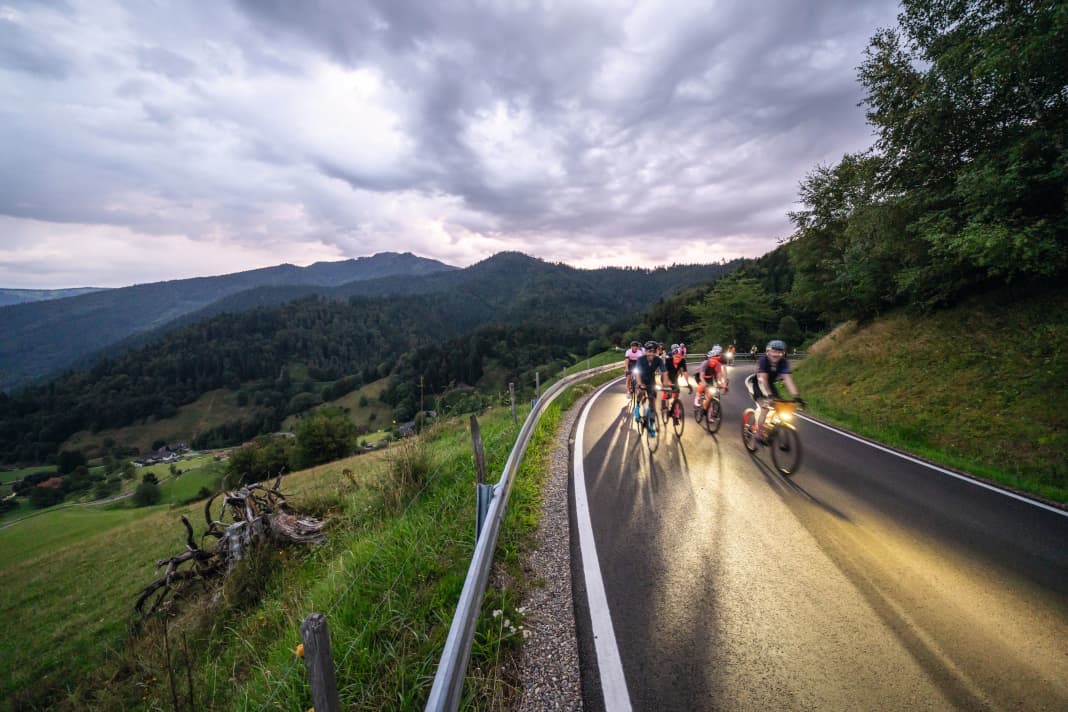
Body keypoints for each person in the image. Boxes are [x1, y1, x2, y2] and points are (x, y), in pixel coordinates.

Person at [745, 339, 803, 443]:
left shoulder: (783, 362)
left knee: (780, 405)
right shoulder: (763, 361)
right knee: (764, 408)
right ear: (768, 351)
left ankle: (770, 426)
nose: (776, 354)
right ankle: (758, 434)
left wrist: (796, 396)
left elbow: (788, 380)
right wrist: (769, 395)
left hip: (769, 385)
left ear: (783, 353)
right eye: (774, 351)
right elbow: (763, 379)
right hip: (756, 384)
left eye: (780, 352)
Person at [633, 340, 668, 432]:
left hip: (651, 381)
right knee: (640, 392)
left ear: (656, 352)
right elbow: (637, 373)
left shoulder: (658, 360)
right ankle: (637, 406)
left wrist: (665, 385)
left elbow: (664, 372)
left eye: (653, 351)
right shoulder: (640, 359)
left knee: (652, 404)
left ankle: (651, 424)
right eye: (649, 351)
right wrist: (640, 384)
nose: (651, 354)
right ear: (645, 351)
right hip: (641, 379)